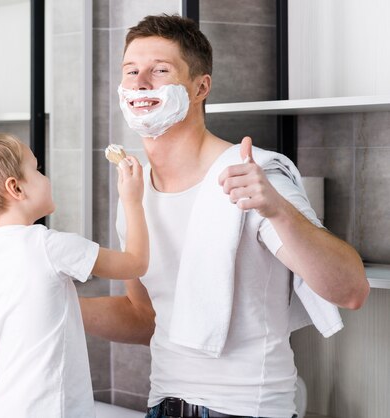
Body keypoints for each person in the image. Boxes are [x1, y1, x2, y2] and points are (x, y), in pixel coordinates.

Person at [80, 14, 370, 418]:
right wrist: (50, 303)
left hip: (245, 407)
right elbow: (144, 315)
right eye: (131, 71)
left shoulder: (254, 176)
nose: (141, 82)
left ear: (201, 87)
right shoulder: (135, 188)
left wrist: (278, 210)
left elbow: (350, 291)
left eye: (160, 70)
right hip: (162, 403)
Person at [0, 133, 148, 418]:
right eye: (37, 169)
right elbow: (135, 264)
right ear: (15, 188)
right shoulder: (49, 246)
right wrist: (133, 201)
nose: (45, 177)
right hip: (50, 409)